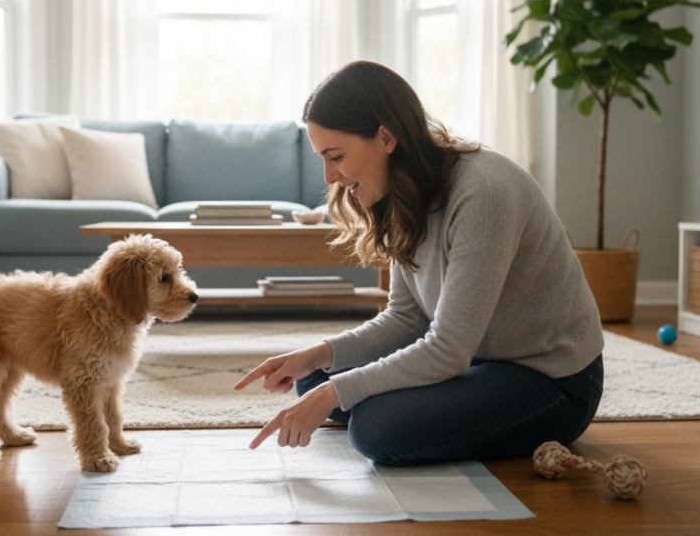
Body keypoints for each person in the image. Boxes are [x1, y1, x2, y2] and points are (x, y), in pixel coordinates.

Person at [233, 61, 604, 465]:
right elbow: (407, 320)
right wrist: (319, 354)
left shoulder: (484, 193)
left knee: (374, 428)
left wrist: (335, 393)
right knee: (312, 378)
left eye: (335, 156)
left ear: (386, 137)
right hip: (479, 359)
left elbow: (447, 348)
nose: (329, 176)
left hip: (551, 380)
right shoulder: (400, 190)